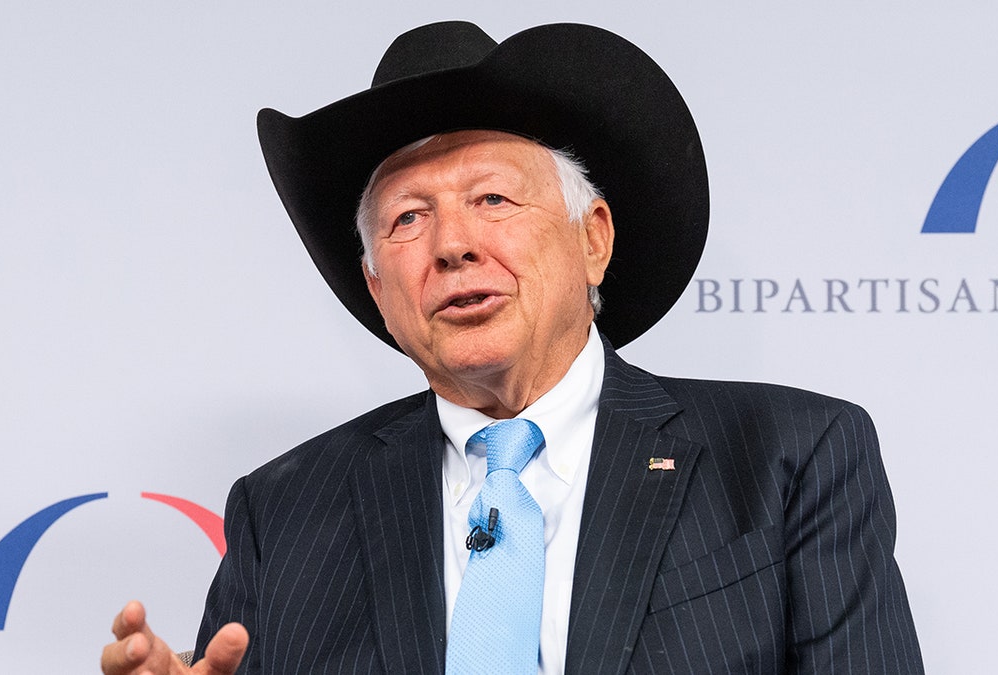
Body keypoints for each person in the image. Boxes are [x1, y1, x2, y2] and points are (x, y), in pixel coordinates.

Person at [101, 21, 923, 675]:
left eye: (491, 197)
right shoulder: (282, 513)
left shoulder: (790, 458)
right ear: (380, 290)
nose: (452, 245)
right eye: (407, 219)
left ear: (593, 240)